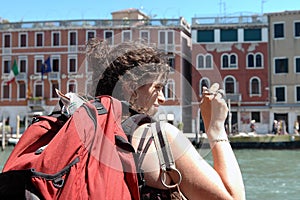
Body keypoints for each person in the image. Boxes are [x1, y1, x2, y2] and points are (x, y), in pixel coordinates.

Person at [86, 38, 245, 200]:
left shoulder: (89, 131)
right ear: (131, 87)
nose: (162, 98)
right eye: (158, 87)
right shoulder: (160, 137)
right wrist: (216, 127)